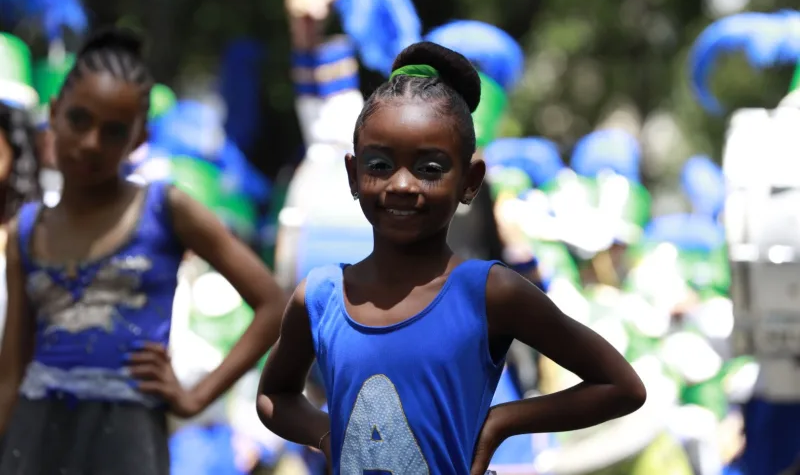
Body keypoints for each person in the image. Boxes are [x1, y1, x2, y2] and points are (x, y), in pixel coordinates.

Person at [257, 41, 647, 474]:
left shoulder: (488, 293)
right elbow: (274, 395)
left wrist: (503, 421)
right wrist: (328, 435)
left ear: (470, 181)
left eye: (429, 168)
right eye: (380, 164)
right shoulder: (321, 295)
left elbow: (621, 386)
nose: (402, 184)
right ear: (352, 173)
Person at [0, 27, 288, 475]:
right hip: (35, 440)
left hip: (128, 443)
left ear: (138, 139)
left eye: (113, 131)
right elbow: (10, 374)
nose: (92, 142)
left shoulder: (165, 209)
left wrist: (195, 397)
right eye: (78, 120)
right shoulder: (27, 228)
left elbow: (273, 303)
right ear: (53, 114)